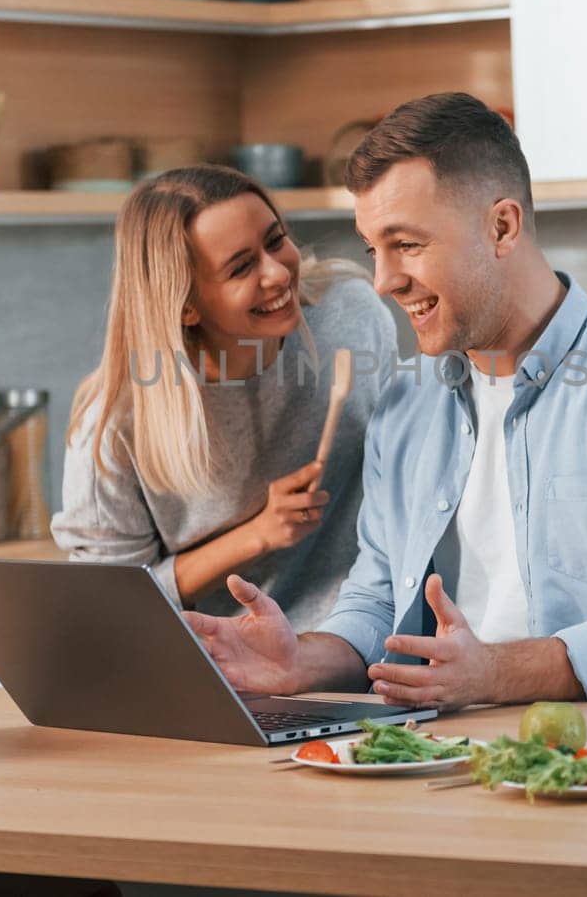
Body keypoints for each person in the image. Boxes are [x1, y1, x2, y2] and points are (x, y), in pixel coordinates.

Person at [182, 93, 587, 706]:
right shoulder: (407, 401)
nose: (383, 280)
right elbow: (378, 599)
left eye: (407, 244)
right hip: (451, 765)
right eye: (374, 249)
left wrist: (495, 673)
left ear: (502, 227)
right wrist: (304, 659)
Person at [52, 165, 396, 628]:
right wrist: (256, 535)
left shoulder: (349, 317)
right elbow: (108, 607)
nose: (276, 273)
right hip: (217, 668)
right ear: (186, 305)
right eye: (240, 267)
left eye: (275, 241)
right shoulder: (115, 425)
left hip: (364, 648)